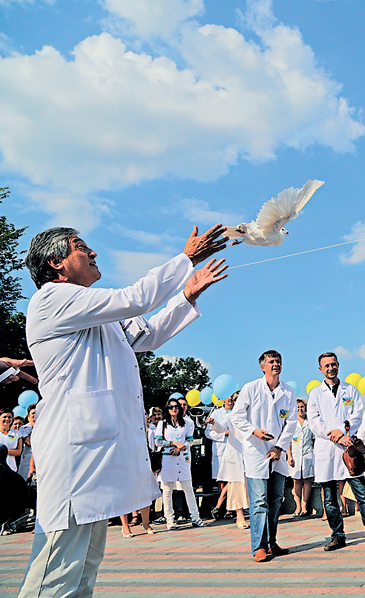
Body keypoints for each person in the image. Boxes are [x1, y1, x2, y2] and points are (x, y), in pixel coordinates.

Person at [18, 224, 227, 598]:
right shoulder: (52, 299)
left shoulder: (92, 309)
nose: (93, 253)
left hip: (96, 455)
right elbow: (136, 299)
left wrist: (186, 296)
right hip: (74, 456)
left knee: (84, 568)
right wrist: (186, 259)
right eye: (81, 248)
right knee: (56, 572)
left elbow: (146, 334)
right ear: (56, 263)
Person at [308, 352, 365, 550]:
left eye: (333, 364)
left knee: (363, 495)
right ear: (320, 369)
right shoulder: (315, 394)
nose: (330, 368)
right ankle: (337, 535)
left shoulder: (350, 390)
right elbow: (313, 420)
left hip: (348, 450)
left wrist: (345, 431)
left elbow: (357, 415)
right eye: (326, 365)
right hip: (327, 449)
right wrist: (332, 434)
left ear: (338, 366)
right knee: (329, 498)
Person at [230, 350, 297, 562]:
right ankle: (258, 546)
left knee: (276, 500)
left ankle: (271, 541)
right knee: (259, 501)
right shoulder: (251, 388)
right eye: (271, 362)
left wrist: (279, 447)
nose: (275, 364)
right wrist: (254, 431)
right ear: (262, 366)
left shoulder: (288, 392)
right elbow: (236, 417)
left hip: (277, 453)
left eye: (278, 361)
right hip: (256, 451)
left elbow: (291, 423)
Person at [155, 397, 205, 529]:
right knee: (167, 490)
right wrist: (172, 444)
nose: (174, 409)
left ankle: (195, 517)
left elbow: (189, 440)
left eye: (176, 406)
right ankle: (170, 520)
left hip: (182, 458)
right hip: (168, 459)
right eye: (171, 407)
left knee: (188, 488)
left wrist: (180, 447)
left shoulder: (187, 423)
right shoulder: (163, 423)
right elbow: (158, 442)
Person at [207, 392, 250, 529]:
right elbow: (220, 429)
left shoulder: (250, 415)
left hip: (249, 455)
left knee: (250, 484)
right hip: (234, 455)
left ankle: (253, 513)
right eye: (236, 399)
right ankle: (240, 515)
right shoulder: (230, 416)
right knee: (235, 485)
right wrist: (214, 423)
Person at [287, 398, 314, 517]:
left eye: (302, 407)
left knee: (307, 480)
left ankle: (304, 506)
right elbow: (288, 440)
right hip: (295, 455)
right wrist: (289, 456)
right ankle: (297, 506)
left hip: (308, 454)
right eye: (298, 408)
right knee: (296, 481)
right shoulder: (292, 422)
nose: (300, 409)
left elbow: (314, 439)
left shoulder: (310, 422)